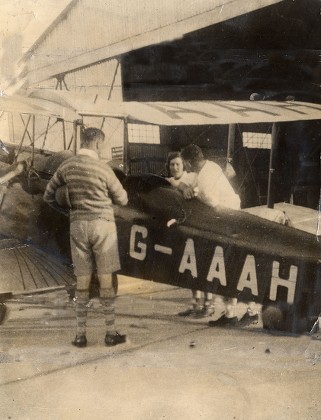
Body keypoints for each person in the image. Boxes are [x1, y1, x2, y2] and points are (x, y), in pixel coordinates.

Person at [43, 127, 128, 348]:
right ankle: (110, 333)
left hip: (78, 225)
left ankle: (80, 335)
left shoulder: (67, 166)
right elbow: (123, 199)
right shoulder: (104, 169)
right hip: (103, 226)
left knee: (82, 280)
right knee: (106, 279)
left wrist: (68, 210)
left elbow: (48, 196)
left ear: (83, 142)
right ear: (98, 144)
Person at [180, 144, 259, 327]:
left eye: (186, 164)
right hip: (235, 218)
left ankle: (237, 314)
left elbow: (213, 203)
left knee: (228, 270)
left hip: (227, 224)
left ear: (190, 161)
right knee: (235, 270)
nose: (186, 168)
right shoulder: (212, 166)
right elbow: (190, 181)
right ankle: (245, 312)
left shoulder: (204, 182)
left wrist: (196, 194)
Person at [166, 151, 215, 318]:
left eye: (178, 164)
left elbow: (200, 187)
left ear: (184, 165)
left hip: (201, 226)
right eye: (171, 164)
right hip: (185, 229)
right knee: (190, 268)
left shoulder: (193, 177)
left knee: (204, 266)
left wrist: (186, 186)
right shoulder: (168, 182)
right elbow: (174, 183)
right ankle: (195, 303)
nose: (174, 167)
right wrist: (181, 186)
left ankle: (209, 304)